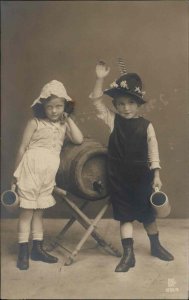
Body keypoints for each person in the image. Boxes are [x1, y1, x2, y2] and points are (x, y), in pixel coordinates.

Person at [89, 62, 174, 272]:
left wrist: (156, 175)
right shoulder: (112, 121)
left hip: (142, 177)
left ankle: (156, 246)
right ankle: (128, 256)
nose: (126, 108)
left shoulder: (147, 126)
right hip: (118, 177)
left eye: (130, 103)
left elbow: (153, 152)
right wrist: (99, 78)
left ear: (138, 104)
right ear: (115, 106)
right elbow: (97, 101)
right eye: (120, 104)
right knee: (124, 215)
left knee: (147, 215)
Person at [12, 80, 83, 270]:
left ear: (65, 107)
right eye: (50, 107)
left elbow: (78, 139)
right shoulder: (34, 123)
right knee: (27, 212)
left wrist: (67, 119)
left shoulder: (62, 124)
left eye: (59, 106)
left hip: (48, 174)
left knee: (39, 212)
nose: (54, 111)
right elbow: (22, 148)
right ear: (42, 106)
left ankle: (38, 249)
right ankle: (23, 252)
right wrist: (15, 176)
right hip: (30, 171)